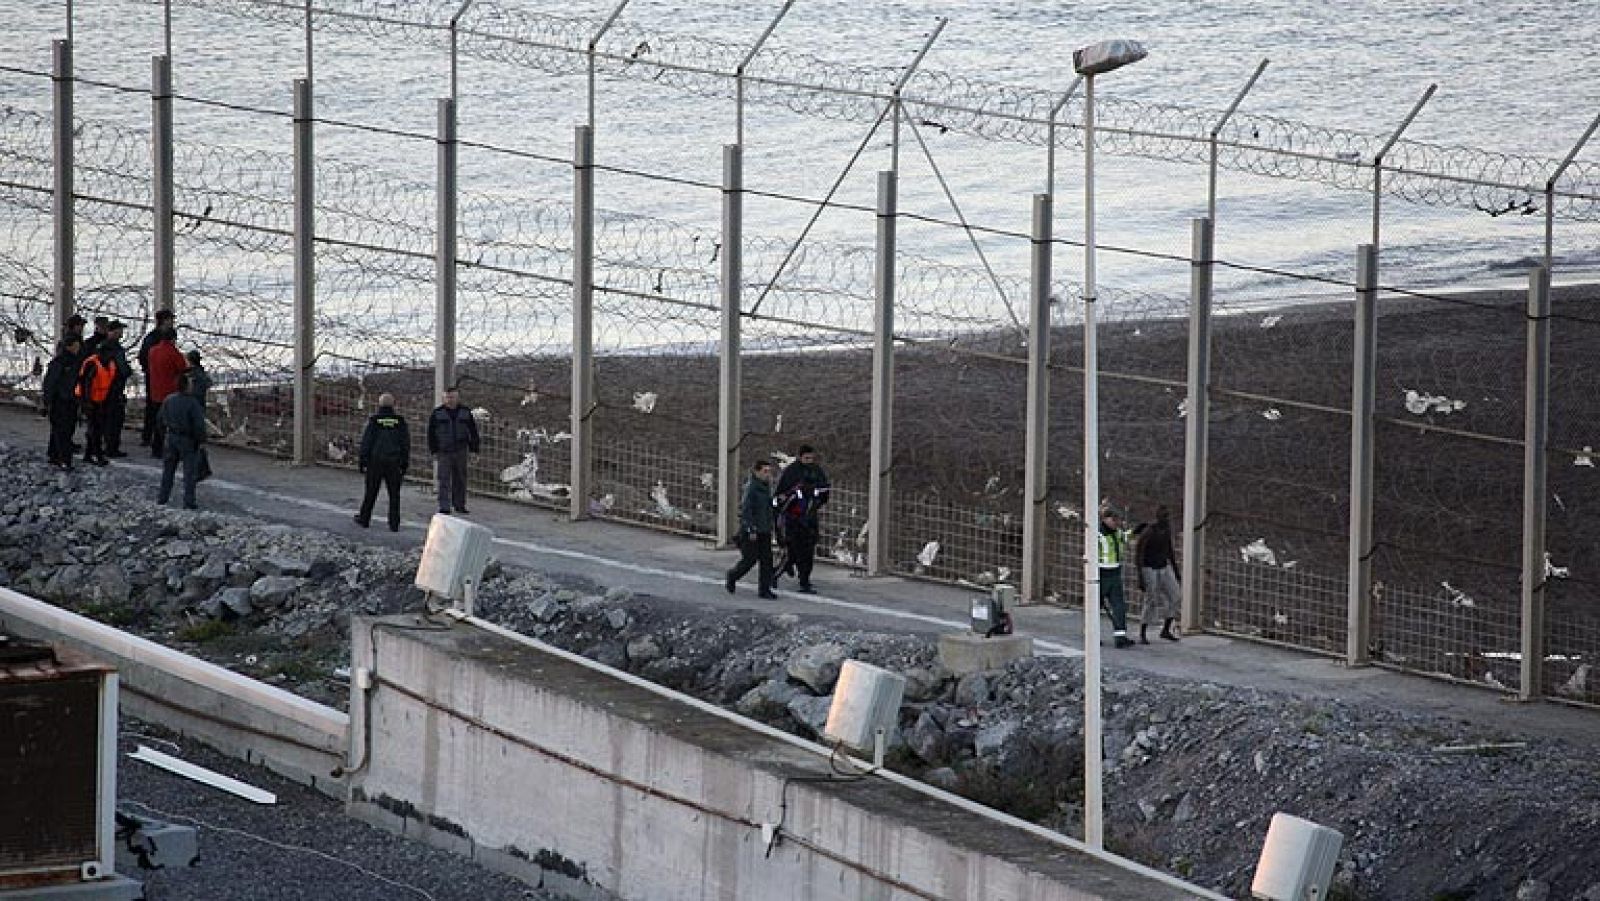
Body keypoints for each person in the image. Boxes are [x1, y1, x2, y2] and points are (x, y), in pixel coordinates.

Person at [774, 444, 831, 594]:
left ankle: (804, 580)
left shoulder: (817, 471)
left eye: (811, 458)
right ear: (800, 457)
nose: (809, 461)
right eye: (806, 458)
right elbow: (780, 496)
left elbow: (825, 491)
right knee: (793, 550)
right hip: (794, 519)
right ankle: (777, 574)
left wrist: (816, 500)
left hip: (809, 518)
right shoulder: (791, 472)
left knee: (807, 551)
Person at [354, 393, 410, 532]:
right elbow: (405, 443)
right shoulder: (400, 421)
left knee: (371, 492)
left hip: (375, 462)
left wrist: (363, 461)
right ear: (393, 404)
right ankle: (394, 523)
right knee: (394, 494)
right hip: (394, 462)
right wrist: (404, 462)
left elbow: (367, 442)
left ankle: (364, 519)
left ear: (379, 404)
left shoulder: (374, 420)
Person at [725, 460, 777, 599]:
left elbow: (768, 506)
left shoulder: (767, 487)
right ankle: (733, 575)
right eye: (764, 471)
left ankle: (764, 589)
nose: (768, 474)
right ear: (756, 471)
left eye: (769, 471)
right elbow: (747, 510)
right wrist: (751, 529)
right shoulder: (752, 488)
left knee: (767, 560)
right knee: (750, 559)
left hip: (764, 528)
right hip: (753, 530)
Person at [426, 388, 480, 515]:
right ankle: (444, 506)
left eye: (453, 397)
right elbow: (431, 433)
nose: (450, 400)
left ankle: (459, 504)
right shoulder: (437, 413)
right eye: (447, 397)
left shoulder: (466, 412)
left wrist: (474, 449)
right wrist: (433, 450)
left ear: (458, 398)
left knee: (460, 479)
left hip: (461, 450)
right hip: (444, 451)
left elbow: (473, 432)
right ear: (444, 398)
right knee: (443, 479)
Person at [157, 373, 207, 510]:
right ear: (186, 386)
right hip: (187, 439)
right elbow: (198, 425)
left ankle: (163, 498)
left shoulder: (169, 399)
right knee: (189, 472)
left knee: (168, 470)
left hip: (171, 437)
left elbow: (160, 419)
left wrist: (164, 435)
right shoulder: (192, 403)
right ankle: (189, 501)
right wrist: (201, 440)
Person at [1134, 506, 1181, 644]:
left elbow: (1169, 550)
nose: (1167, 519)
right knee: (1151, 599)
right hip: (1149, 568)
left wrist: (1176, 570)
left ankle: (1166, 629)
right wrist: (1140, 576)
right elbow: (1139, 554)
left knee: (1175, 596)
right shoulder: (1149, 532)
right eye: (1164, 516)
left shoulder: (1166, 530)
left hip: (1163, 566)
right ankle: (1143, 631)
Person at [144, 328, 188, 457]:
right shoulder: (173, 353)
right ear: (173, 339)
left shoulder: (152, 351)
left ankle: (156, 448)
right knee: (174, 423)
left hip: (155, 391)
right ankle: (174, 450)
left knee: (158, 422)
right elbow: (182, 368)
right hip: (170, 392)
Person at [41, 336, 82, 469]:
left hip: (68, 399)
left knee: (60, 430)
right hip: (62, 400)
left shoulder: (72, 362)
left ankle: (54, 455)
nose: (78, 348)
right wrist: (46, 402)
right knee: (63, 431)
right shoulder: (61, 363)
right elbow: (50, 383)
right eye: (76, 345)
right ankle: (64, 459)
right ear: (69, 346)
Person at [1098, 506, 1135, 649]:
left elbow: (1125, 538)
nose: (1115, 522)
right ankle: (1092, 635)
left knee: (1119, 606)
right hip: (1101, 572)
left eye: (1117, 520)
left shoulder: (1117, 533)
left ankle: (1120, 637)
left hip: (1115, 572)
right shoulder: (1098, 534)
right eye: (1113, 519)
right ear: (1105, 519)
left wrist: (1135, 531)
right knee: (1095, 606)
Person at [76, 344, 120, 466]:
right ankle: (98, 455)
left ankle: (89, 454)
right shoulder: (92, 364)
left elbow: (111, 383)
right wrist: (86, 402)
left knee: (96, 428)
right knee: (95, 429)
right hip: (90, 401)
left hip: (101, 400)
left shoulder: (109, 364)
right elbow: (85, 384)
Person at [138, 309, 176, 447]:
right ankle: (150, 437)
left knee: (155, 407)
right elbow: (143, 357)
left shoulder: (155, 337)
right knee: (154, 407)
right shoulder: (154, 338)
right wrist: (151, 370)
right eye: (170, 319)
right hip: (156, 378)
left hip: (158, 377)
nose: (172, 322)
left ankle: (152, 437)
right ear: (164, 320)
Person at [101, 321, 133, 458]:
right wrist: (127, 371)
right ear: (113, 331)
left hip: (104, 388)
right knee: (114, 419)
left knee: (106, 418)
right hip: (114, 388)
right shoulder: (115, 349)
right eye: (120, 330)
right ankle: (112, 447)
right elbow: (123, 369)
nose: (122, 333)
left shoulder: (102, 347)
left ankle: (107, 445)